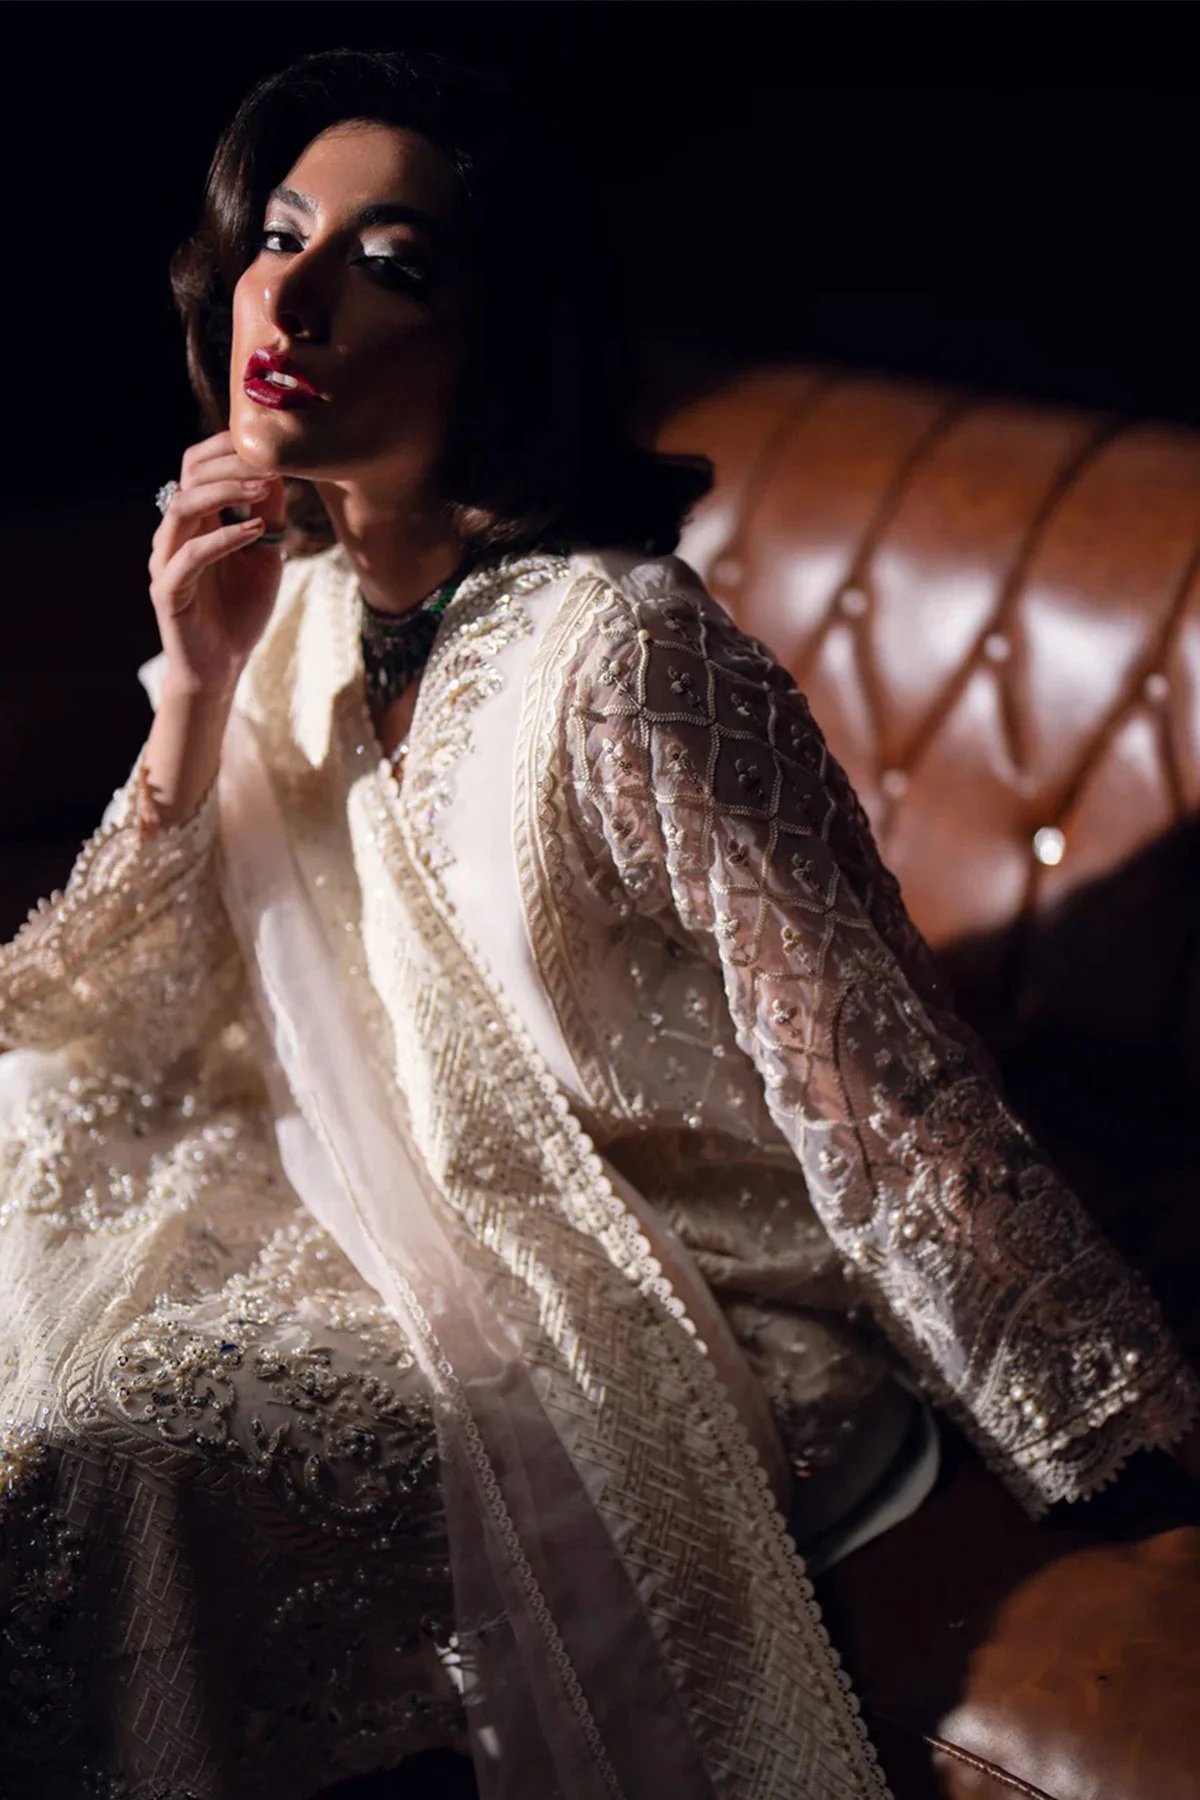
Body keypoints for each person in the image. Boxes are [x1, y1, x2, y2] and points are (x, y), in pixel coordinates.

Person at [1, 45, 1197, 1800]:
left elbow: (864, 1067)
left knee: (129, 1454)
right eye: (279, 235)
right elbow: (121, 1003)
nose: (299, 298)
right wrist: (195, 684)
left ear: (500, 338)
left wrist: (1100, 1429)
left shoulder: (623, 654)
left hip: (669, 1296)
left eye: (392, 264)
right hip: (371, 1221)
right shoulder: (299, 604)